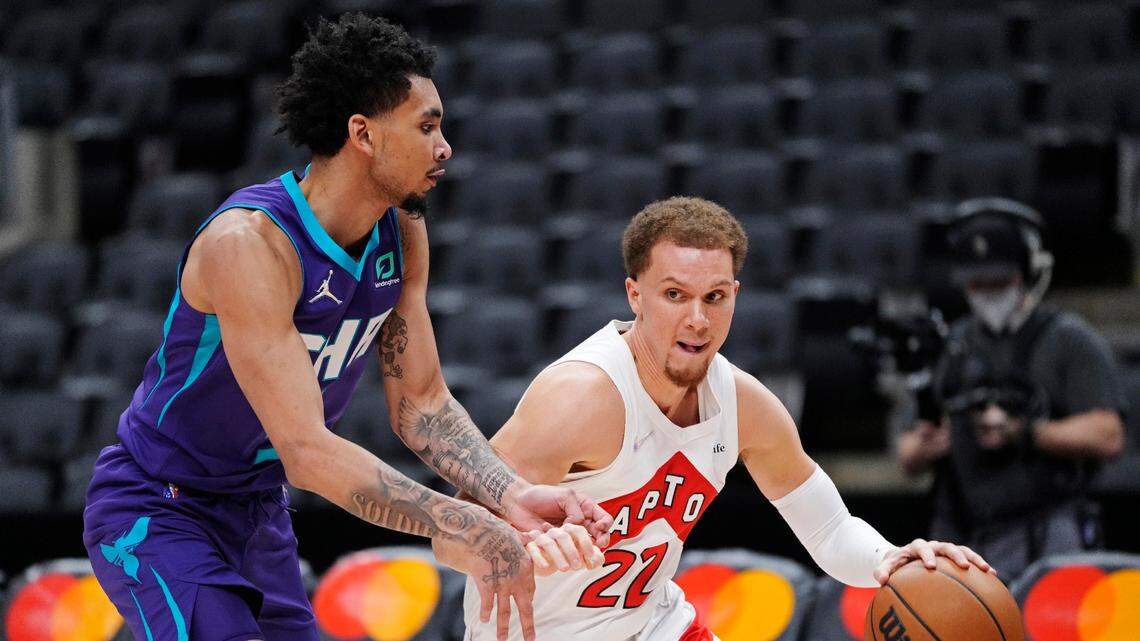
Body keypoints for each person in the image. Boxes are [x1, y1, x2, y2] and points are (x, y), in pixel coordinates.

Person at [82, 14, 609, 641]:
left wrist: (510, 495)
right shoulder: (249, 245)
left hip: (257, 509)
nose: (446, 147)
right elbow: (306, 452)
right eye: (426, 125)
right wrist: (456, 522)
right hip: (160, 505)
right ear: (362, 132)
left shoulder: (402, 231)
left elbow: (422, 405)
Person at [458, 197, 995, 641]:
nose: (697, 319)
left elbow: (830, 530)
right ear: (634, 294)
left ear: (734, 296)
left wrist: (893, 559)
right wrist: (517, 547)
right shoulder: (579, 397)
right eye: (675, 295)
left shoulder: (742, 402)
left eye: (714, 297)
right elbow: (448, 532)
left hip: (654, 626)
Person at [896, 197, 1127, 579]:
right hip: (965, 532)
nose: (987, 292)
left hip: (1047, 526)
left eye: (998, 280)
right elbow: (907, 454)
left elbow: (1108, 434)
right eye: (977, 282)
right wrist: (931, 443)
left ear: (1025, 272)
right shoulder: (952, 346)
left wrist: (1025, 431)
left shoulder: (1067, 339)